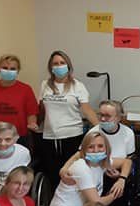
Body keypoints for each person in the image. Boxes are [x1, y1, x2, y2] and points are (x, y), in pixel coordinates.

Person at [44, 131, 118, 206]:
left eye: (100, 146)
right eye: (91, 147)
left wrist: (122, 179)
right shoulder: (81, 167)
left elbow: (126, 162)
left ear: (106, 149)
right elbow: (97, 203)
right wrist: (115, 194)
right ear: (84, 150)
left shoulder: (102, 163)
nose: (96, 150)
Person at [39, 50, 99, 187]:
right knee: (53, 174)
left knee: (72, 172)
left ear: (68, 65)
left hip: (72, 135)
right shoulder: (45, 85)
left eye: (62, 63)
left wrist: (99, 128)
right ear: (51, 67)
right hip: (50, 136)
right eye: (55, 63)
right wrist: (35, 123)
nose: (59, 66)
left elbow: (87, 109)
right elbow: (42, 108)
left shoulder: (77, 86)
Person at [83, 100, 137, 206]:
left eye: (107, 116)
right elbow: (82, 157)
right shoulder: (93, 133)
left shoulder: (128, 133)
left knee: (125, 185)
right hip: (97, 174)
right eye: (100, 114)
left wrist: (121, 177)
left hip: (120, 172)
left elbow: (129, 159)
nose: (102, 119)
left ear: (118, 117)